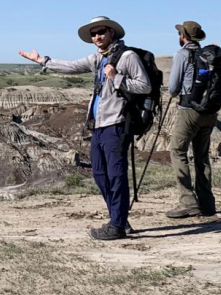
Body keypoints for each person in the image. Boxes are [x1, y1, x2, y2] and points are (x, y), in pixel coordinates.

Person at [18, 16, 151, 240]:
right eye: (93, 34)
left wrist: (116, 77)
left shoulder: (128, 57)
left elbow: (144, 86)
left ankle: (117, 225)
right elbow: (71, 66)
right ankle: (118, 218)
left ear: (112, 32)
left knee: (116, 175)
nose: (97, 37)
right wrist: (42, 61)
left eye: (101, 32)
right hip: (98, 124)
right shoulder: (97, 58)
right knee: (99, 174)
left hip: (117, 124)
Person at [165, 21, 218, 218]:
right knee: (202, 156)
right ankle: (207, 203)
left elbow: (173, 88)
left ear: (183, 36)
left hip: (189, 110)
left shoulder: (182, 54)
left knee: (177, 150)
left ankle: (187, 201)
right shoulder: (208, 55)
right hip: (210, 111)